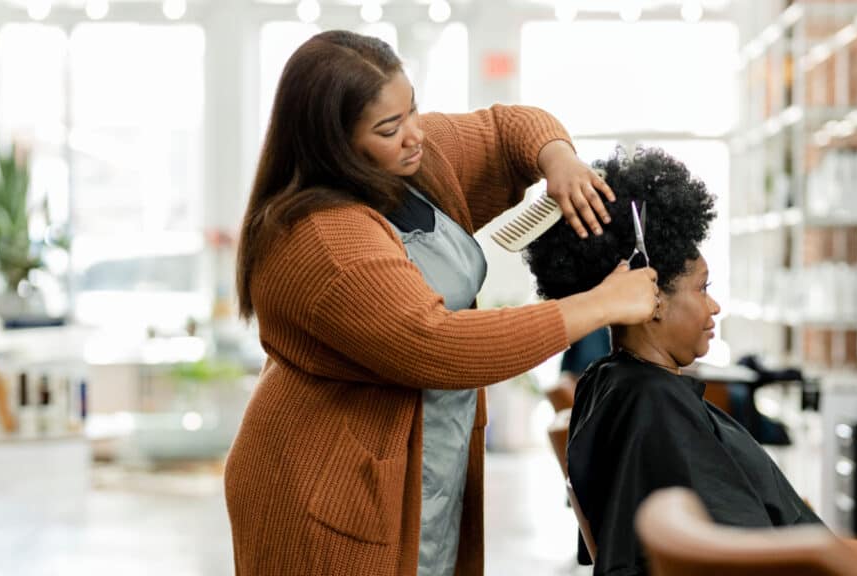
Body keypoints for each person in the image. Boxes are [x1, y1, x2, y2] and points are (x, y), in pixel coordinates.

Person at [225, 30, 660, 576]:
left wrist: (560, 160)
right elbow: (438, 344)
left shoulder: (413, 162)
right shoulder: (322, 240)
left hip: (429, 447)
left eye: (412, 111)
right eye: (389, 128)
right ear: (330, 144)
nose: (415, 136)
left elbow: (509, 129)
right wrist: (600, 306)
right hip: (326, 484)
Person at [524, 147, 823, 575]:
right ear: (653, 298)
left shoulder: (608, 382)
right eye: (703, 288)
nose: (714, 306)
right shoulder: (653, 404)